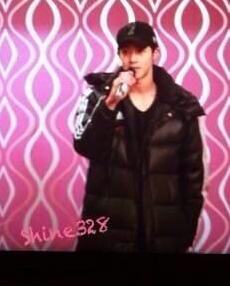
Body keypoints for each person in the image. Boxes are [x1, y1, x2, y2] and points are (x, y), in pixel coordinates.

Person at [73, 21, 205, 253]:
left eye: (140, 51)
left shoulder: (182, 103)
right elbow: (84, 145)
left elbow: (193, 174)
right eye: (126, 51)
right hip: (107, 235)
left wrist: (185, 231)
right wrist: (110, 103)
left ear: (155, 53)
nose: (132, 59)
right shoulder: (97, 95)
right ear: (119, 55)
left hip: (164, 234)